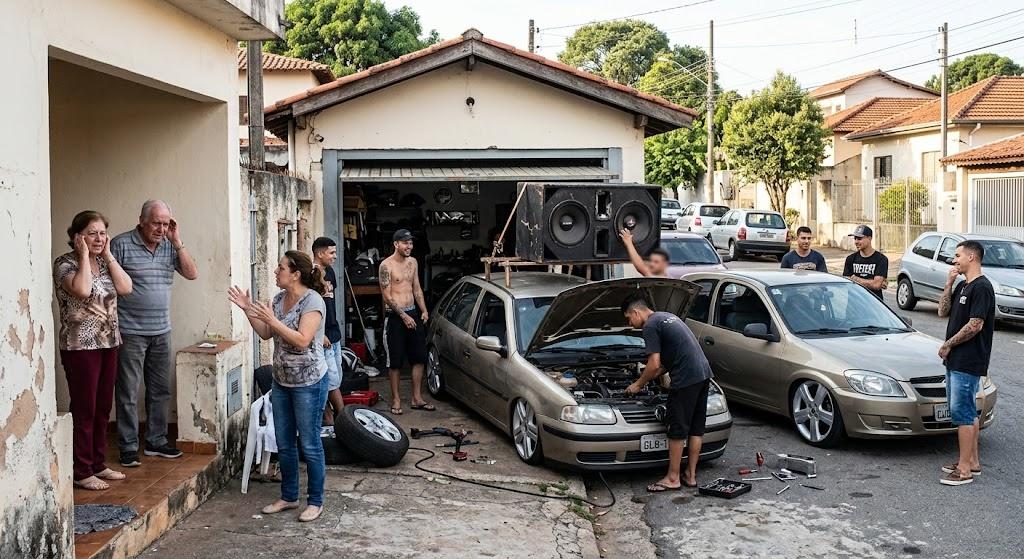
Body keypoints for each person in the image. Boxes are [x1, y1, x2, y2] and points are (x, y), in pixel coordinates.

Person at [228, 250, 329, 522]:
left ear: (295, 274)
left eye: (281, 267)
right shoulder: (279, 299)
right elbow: (265, 333)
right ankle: (289, 496)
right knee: (284, 443)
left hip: (309, 382)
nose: (276, 271)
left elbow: (303, 340)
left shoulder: (313, 301)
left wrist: (273, 320)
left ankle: (315, 501)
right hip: (282, 381)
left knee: (309, 444)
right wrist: (248, 309)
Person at [111, 200, 198, 467]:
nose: (161, 229)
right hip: (130, 331)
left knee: (159, 391)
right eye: (156, 223)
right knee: (127, 390)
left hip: (161, 330)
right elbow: (108, 285)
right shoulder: (120, 244)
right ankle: (127, 445)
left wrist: (177, 240)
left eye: (165, 223)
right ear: (142, 221)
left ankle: (156, 441)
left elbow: (192, 273)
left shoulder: (169, 246)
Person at [54, 211, 133, 490]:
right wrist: (84, 256)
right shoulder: (65, 264)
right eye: (92, 233)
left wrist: (108, 256)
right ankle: (82, 469)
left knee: (102, 407)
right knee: (85, 408)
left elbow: (126, 288)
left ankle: (98, 463)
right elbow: (84, 290)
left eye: (102, 233)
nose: (99, 238)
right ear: (78, 237)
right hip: (80, 346)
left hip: (109, 342)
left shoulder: (104, 261)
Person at [622, 294, 714, 491]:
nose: (630, 324)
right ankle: (690, 475)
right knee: (696, 428)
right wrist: (652, 373)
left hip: (686, 379)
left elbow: (654, 364)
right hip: (703, 373)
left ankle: (673, 478)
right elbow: (669, 360)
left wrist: (638, 384)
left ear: (636, 312)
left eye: (629, 318)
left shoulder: (650, 326)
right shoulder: (666, 316)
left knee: (677, 430)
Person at [936, 240, 995, 487]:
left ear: (971, 257)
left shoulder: (982, 287)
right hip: (956, 360)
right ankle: (972, 462)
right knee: (967, 411)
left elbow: (976, 324)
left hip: (968, 360)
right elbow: (942, 311)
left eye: (958, 255)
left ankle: (963, 471)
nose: (954, 260)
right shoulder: (963, 284)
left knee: (962, 414)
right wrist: (949, 284)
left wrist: (949, 344)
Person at [379, 229, 433, 415]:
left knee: (419, 358)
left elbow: (416, 288)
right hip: (395, 317)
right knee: (395, 362)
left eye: (410, 243)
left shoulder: (413, 262)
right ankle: (395, 399)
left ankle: (416, 398)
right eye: (405, 243)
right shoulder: (386, 266)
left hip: (413, 313)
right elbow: (386, 296)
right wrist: (404, 316)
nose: (409, 246)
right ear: (396, 244)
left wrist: (424, 310)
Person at [312, 237, 344, 427]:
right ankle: (340, 418)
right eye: (331, 253)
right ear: (320, 253)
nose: (335, 256)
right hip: (321, 335)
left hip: (334, 332)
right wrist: (318, 332)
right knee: (329, 380)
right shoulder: (310, 274)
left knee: (337, 377)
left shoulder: (330, 272)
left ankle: (337, 416)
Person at [842, 224, 888, 300]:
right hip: (854, 304)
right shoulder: (850, 259)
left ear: (869, 239)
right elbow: (846, 283)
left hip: (874, 304)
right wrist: (871, 282)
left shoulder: (881, 259)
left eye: (859, 238)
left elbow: (876, 285)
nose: (856, 241)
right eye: (855, 238)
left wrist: (856, 279)